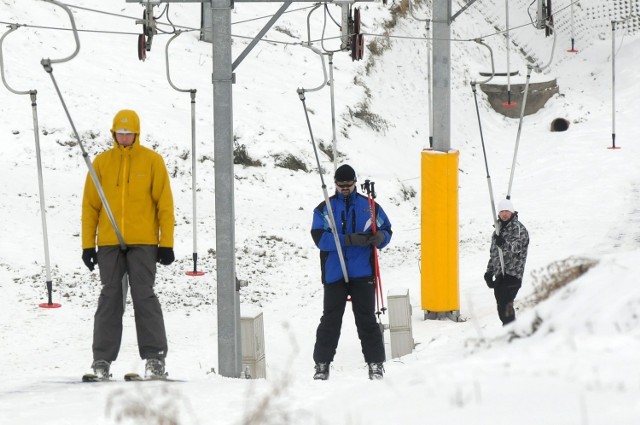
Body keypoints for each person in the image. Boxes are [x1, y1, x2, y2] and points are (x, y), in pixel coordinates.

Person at [81, 109, 175, 379]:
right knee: (109, 297)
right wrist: (89, 245)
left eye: (128, 133)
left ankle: (155, 359)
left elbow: (164, 205)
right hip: (110, 242)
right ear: (114, 134)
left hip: (144, 242)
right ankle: (102, 361)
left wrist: (166, 243)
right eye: (120, 133)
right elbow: (90, 207)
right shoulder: (100, 163)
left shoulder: (152, 161)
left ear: (136, 133)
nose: (124, 137)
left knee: (143, 296)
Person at [310, 164, 392, 380]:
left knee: (366, 318)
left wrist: (381, 238)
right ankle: (322, 363)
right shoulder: (324, 209)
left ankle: (375, 363)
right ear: (335, 184)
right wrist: (348, 240)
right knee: (330, 319)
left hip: (362, 272)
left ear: (355, 182)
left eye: (348, 185)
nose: (345, 188)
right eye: (341, 185)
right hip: (335, 273)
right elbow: (320, 239)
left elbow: (386, 229)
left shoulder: (370, 207)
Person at [484, 198, 529, 326]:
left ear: (512, 212)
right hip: (500, 274)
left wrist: (503, 243)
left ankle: (512, 333)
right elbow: (494, 253)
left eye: (507, 211)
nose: (504, 214)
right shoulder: (497, 232)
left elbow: (518, 248)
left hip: (512, 273)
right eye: (502, 211)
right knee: (501, 306)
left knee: (505, 304)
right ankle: (510, 330)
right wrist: (489, 272)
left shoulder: (518, 228)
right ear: (498, 214)